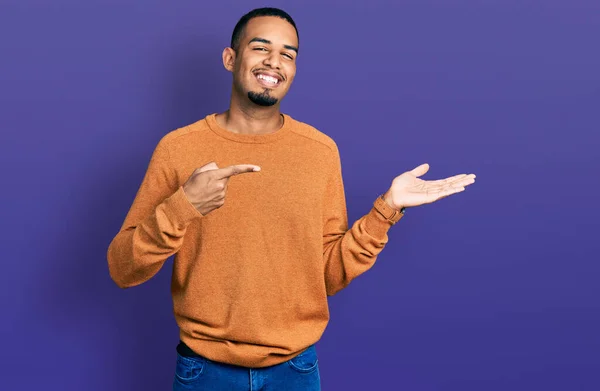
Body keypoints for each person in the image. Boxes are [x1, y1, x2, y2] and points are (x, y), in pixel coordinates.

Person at [107, 7, 476, 391]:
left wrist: (386, 210)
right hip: (204, 372)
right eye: (261, 47)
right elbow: (122, 268)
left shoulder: (319, 152)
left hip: (294, 373)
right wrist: (183, 206)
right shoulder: (177, 149)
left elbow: (328, 276)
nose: (274, 61)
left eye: (288, 54)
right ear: (230, 58)